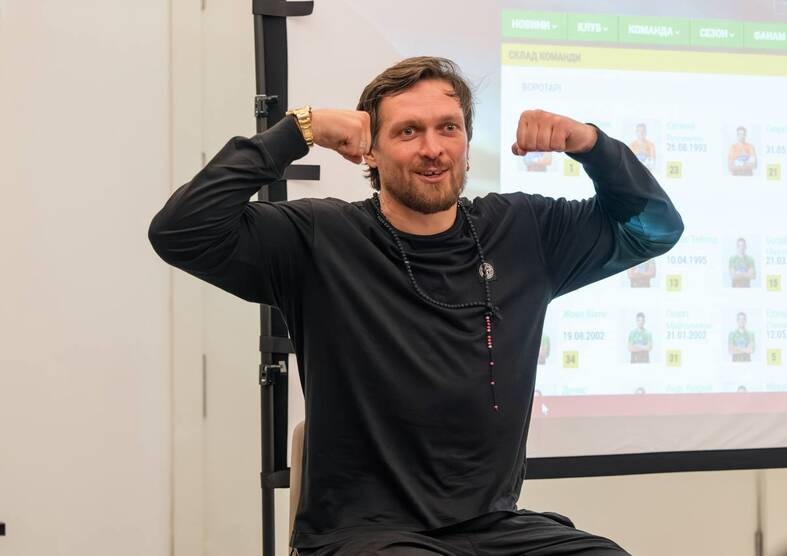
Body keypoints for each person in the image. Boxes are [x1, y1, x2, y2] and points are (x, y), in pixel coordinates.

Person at [149, 57, 684, 555]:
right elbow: (180, 232)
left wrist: (590, 145)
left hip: (492, 525)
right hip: (364, 533)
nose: (433, 149)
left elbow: (656, 229)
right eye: (408, 132)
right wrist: (298, 131)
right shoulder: (318, 238)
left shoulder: (525, 230)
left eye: (448, 128)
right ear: (370, 151)